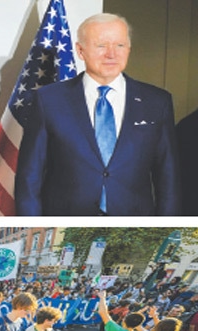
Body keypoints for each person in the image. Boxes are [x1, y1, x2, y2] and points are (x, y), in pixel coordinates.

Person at [15, 13, 180, 216]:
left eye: (120, 45)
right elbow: (29, 176)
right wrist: (32, 226)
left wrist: (168, 228)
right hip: (65, 225)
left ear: (129, 49)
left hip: (134, 226)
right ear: (80, 50)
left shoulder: (157, 101)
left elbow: (168, 177)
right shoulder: (48, 100)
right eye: (101, 45)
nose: (111, 54)